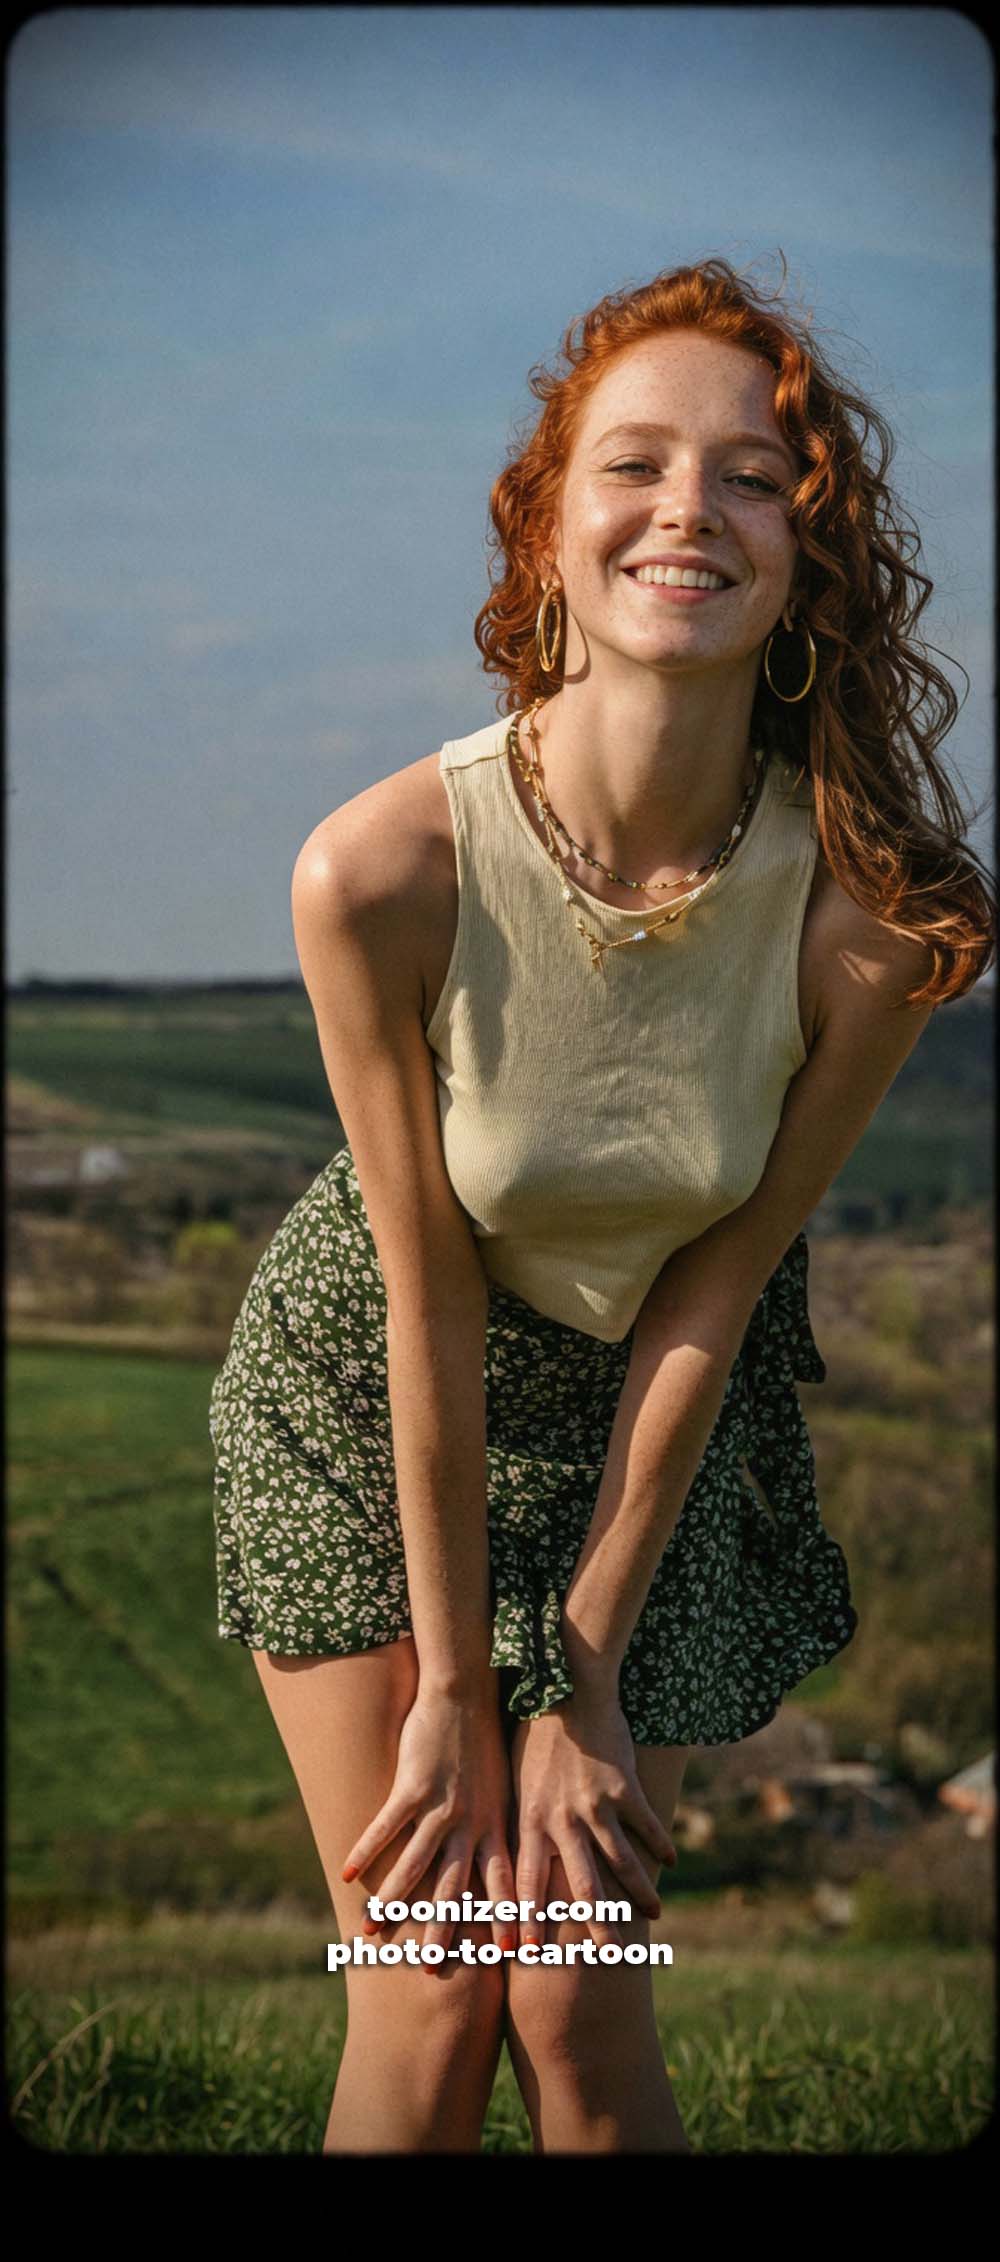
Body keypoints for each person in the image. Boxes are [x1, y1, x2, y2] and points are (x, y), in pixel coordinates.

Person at [208, 254, 994, 2155]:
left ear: (807, 555)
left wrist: (577, 1675)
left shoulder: (870, 925)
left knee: (568, 1980)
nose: (688, 509)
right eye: (634, 464)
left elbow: (724, 1286)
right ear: (548, 529)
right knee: (429, 1974)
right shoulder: (378, 872)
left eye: (752, 477)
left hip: (652, 1412)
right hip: (368, 1391)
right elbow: (426, 1297)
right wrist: (454, 1691)